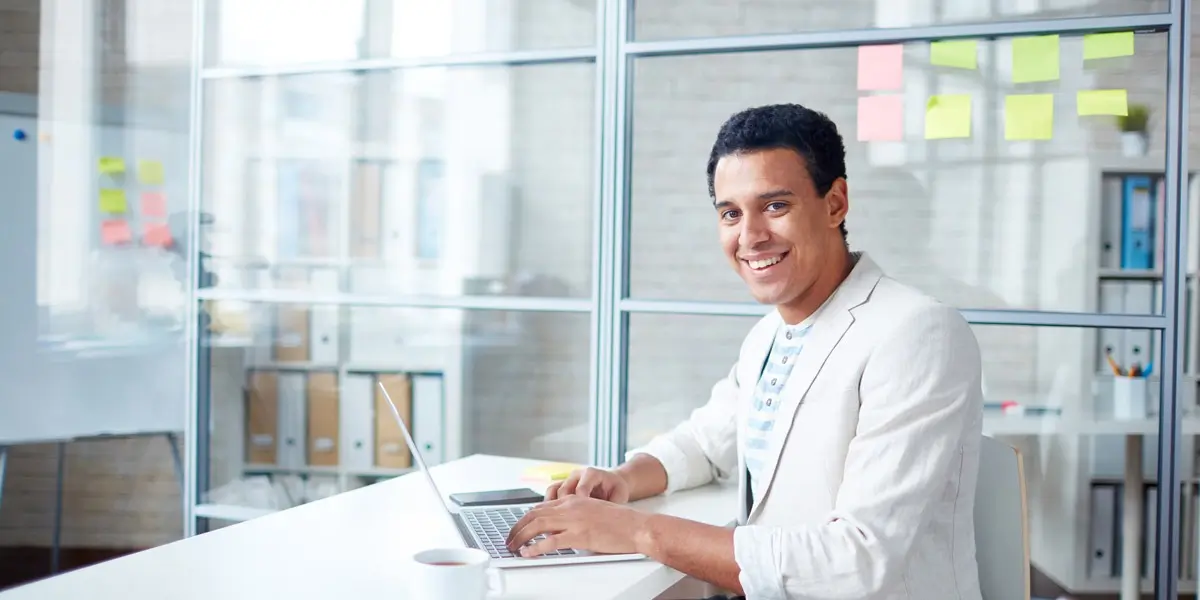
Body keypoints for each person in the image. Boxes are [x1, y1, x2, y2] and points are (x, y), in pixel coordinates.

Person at [505, 103, 985, 600]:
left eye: (775, 206)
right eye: (731, 213)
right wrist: (622, 481)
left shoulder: (916, 333)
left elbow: (858, 563)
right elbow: (706, 443)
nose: (750, 237)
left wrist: (633, 531)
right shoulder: (770, 335)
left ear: (835, 203)